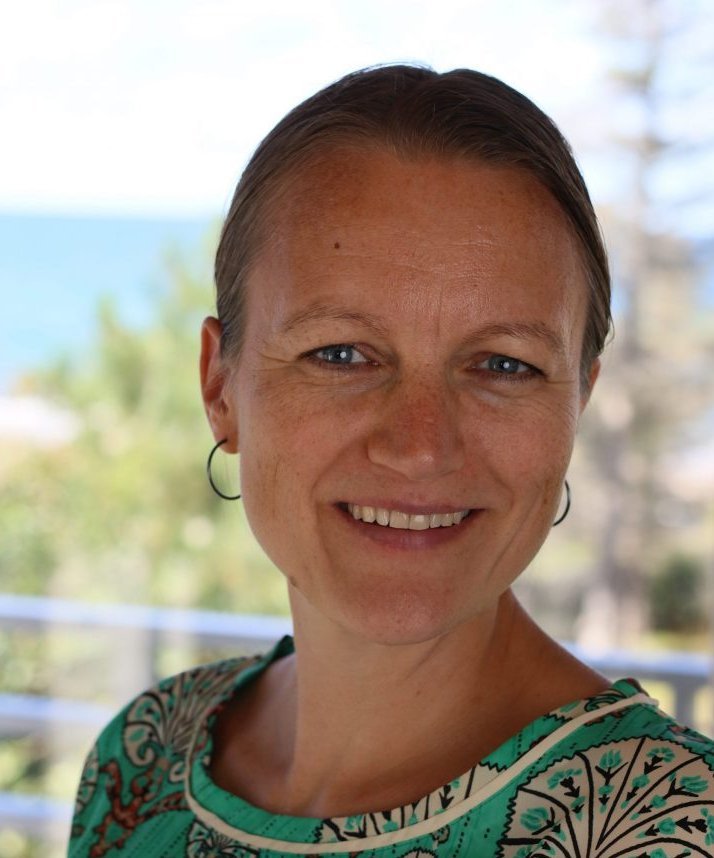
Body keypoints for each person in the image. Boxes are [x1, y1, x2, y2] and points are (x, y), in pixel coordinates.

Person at [68, 65, 714, 857]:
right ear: (219, 386)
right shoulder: (139, 766)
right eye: (341, 353)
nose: (420, 446)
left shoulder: (669, 830)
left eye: (503, 365)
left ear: (577, 402)